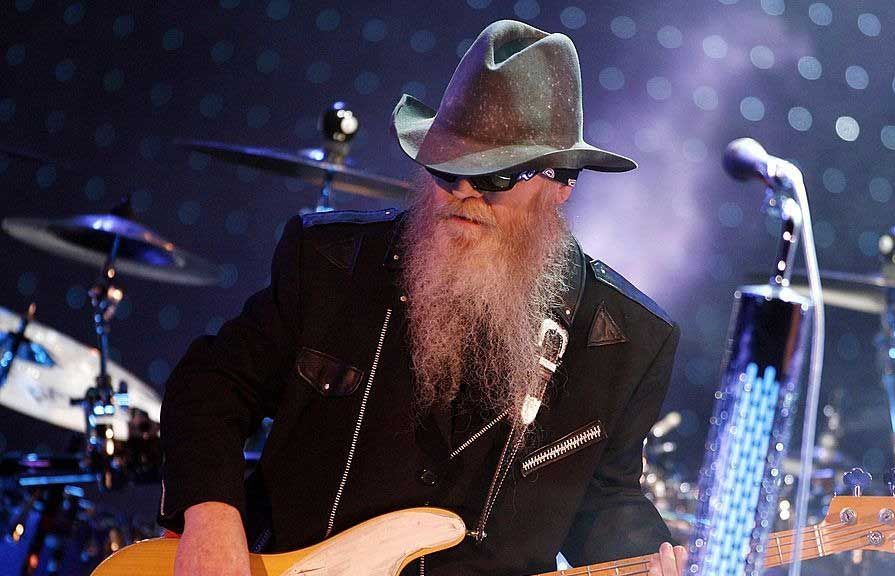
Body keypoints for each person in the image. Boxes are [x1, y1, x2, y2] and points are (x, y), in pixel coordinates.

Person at [160, 20, 685, 576]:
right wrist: (211, 516)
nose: (462, 192)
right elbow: (212, 385)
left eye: (494, 177)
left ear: (561, 183)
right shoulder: (332, 264)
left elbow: (606, 498)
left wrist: (649, 561)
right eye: (445, 169)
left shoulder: (623, 340)